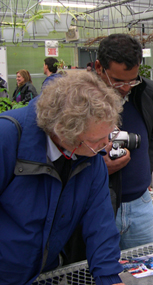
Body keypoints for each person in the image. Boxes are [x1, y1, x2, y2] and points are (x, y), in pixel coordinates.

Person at [0, 71, 124, 284]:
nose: (106, 145)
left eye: (109, 134)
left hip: (47, 273)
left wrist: (110, 278)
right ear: (64, 134)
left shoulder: (92, 157)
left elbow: (100, 224)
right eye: (96, 140)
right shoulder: (7, 138)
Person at [95, 34, 153, 249]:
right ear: (99, 67)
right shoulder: (81, 99)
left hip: (141, 204)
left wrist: (148, 163)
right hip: (98, 206)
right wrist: (100, 169)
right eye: (117, 80)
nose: (126, 87)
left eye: (132, 79)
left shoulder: (146, 91)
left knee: (145, 271)